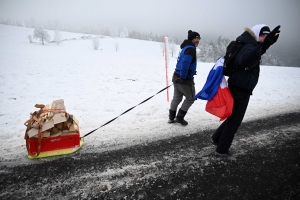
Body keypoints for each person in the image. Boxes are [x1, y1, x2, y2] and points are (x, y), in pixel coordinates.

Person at [211, 24, 281, 157]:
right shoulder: (250, 46)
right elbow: (246, 59)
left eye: (266, 36)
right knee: (235, 120)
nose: (264, 38)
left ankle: (217, 138)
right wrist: (264, 45)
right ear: (255, 34)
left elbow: (253, 54)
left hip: (238, 85)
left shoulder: (248, 43)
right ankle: (222, 149)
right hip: (241, 89)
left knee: (232, 116)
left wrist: (264, 45)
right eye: (262, 35)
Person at [168, 30, 201, 126]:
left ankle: (171, 117)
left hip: (176, 76)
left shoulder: (185, 48)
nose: (198, 40)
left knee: (177, 98)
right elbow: (185, 63)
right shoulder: (191, 49)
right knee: (191, 98)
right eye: (196, 38)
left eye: (199, 38)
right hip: (184, 78)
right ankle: (179, 117)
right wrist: (183, 77)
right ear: (192, 39)